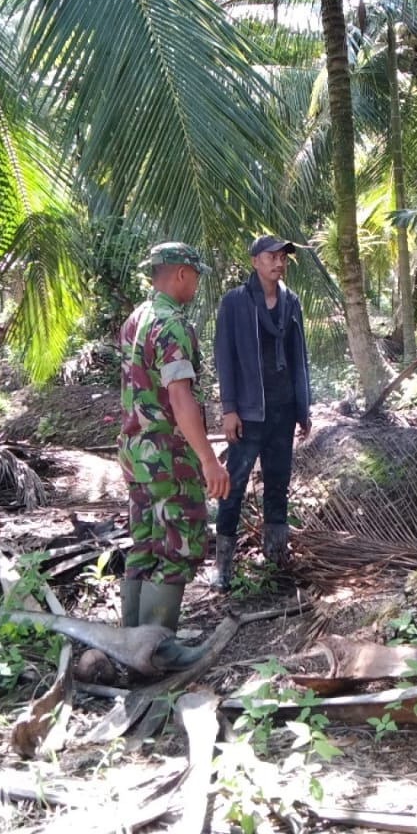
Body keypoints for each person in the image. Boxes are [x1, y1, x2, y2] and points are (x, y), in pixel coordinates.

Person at [118, 242, 230, 647]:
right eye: (196, 276)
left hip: (134, 452)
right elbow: (180, 397)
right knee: (178, 544)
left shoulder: (136, 319)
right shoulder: (172, 324)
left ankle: (129, 641)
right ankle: (155, 649)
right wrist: (208, 459)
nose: (196, 285)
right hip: (167, 454)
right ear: (182, 273)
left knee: (145, 543)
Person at [211, 234, 312, 589]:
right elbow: (225, 358)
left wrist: (304, 407)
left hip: (283, 411)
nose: (278, 262)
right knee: (234, 486)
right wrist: (229, 409)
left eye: (283, 257)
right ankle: (223, 567)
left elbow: (300, 357)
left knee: (278, 483)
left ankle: (275, 560)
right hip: (249, 413)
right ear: (254, 261)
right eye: (271, 256)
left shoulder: (291, 302)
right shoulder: (235, 303)